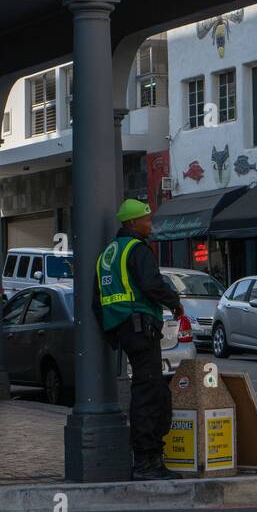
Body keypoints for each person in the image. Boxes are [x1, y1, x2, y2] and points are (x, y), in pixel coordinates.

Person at [95, 198, 185, 481]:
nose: (150, 225)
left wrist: (112, 333)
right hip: (141, 326)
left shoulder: (108, 253)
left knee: (150, 389)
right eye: (146, 220)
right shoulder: (138, 249)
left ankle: (149, 458)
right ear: (133, 222)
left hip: (125, 329)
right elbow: (150, 284)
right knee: (150, 394)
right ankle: (147, 462)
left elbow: (97, 300)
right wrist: (174, 302)